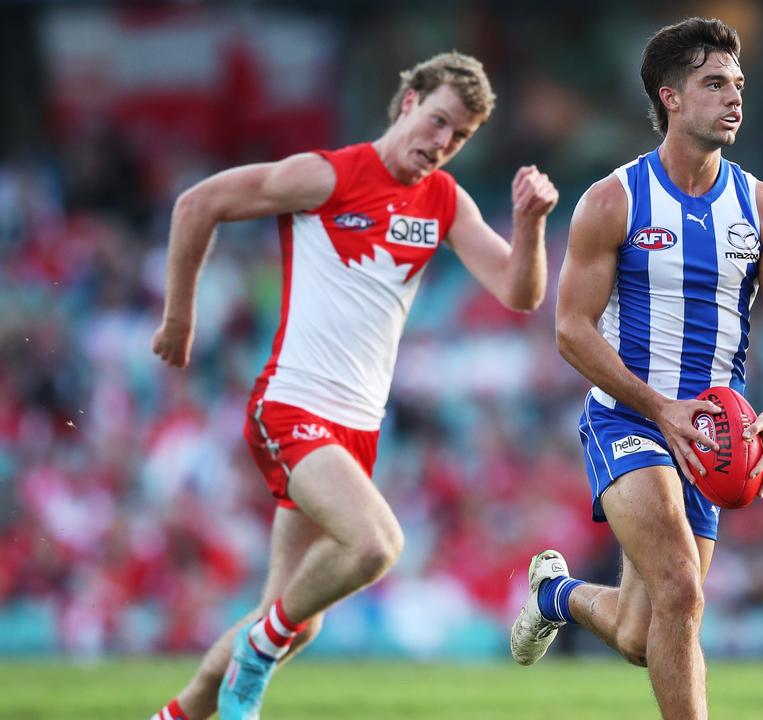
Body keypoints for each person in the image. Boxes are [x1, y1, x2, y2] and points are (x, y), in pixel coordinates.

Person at [148, 52, 559, 720]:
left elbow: (519, 291)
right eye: (437, 122)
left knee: (295, 619)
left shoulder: (444, 201)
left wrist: (531, 224)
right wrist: (179, 318)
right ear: (408, 103)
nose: (441, 144)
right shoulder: (327, 175)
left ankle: (183, 710)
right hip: (292, 408)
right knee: (375, 545)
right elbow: (201, 203)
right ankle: (253, 659)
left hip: (356, 430)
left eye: (458, 138)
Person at [507, 17, 763, 720]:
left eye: (738, 84)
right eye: (714, 84)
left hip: (713, 437)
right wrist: (659, 407)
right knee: (681, 589)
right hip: (629, 418)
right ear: (670, 97)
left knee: (645, 634)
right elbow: (571, 330)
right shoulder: (613, 201)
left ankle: (555, 596)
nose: (734, 98)